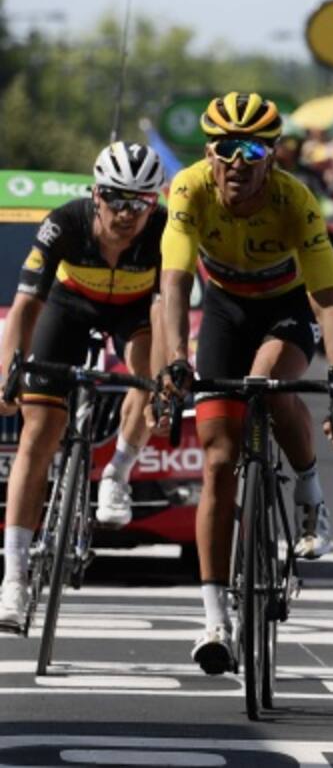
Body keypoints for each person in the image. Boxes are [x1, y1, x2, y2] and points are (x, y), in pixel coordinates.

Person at [158, 93, 333, 675]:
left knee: (264, 382)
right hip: (223, 309)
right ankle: (213, 621)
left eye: (253, 149)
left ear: (272, 157)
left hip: (283, 308)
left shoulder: (296, 202)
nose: (238, 162)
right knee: (218, 462)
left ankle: (309, 490)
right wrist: (176, 359)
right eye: (227, 149)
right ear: (209, 153)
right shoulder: (190, 189)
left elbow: (330, 304)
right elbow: (174, 281)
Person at [0, 142, 166, 630]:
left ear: (153, 203)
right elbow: (25, 305)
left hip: (135, 312)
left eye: (140, 202)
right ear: (96, 194)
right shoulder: (64, 223)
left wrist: (167, 372)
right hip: (69, 306)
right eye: (116, 198)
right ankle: (13, 578)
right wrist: (10, 371)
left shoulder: (163, 231)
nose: (126, 213)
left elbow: (167, 304)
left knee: (147, 370)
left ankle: (117, 472)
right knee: (39, 431)